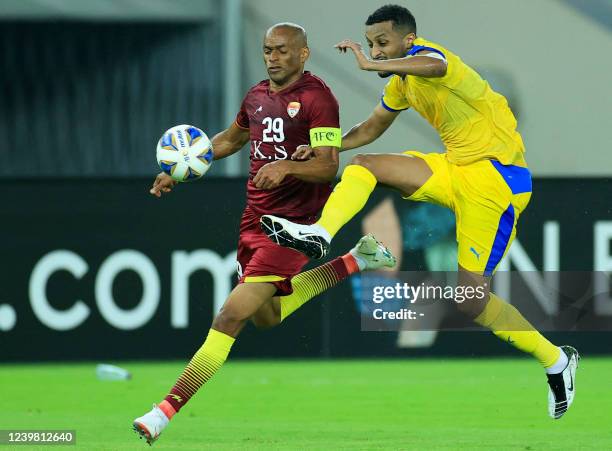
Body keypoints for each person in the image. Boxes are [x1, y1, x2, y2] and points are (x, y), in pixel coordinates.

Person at [260, 6, 578, 420]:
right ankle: (320, 232)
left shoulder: (436, 60)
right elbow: (373, 126)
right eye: (371, 42)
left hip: (497, 183)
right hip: (455, 169)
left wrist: (373, 62)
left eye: (383, 42)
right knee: (365, 164)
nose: (375, 49)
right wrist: (328, 148)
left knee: (470, 300)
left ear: (408, 40)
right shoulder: (401, 83)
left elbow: (434, 64)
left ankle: (556, 361)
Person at [132, 22, 395, 445]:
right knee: (267, 317)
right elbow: (231, 140)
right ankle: (357, 259)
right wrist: (179, 169)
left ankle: (163, 411)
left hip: (295, 226)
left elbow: (328, 165)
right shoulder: (255, 95)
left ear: (303, 54)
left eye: (281, 50)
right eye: (267, 50)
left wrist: (288, 166)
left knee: (230, 316)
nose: (272, 57)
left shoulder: (318, 99)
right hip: (254, 220)